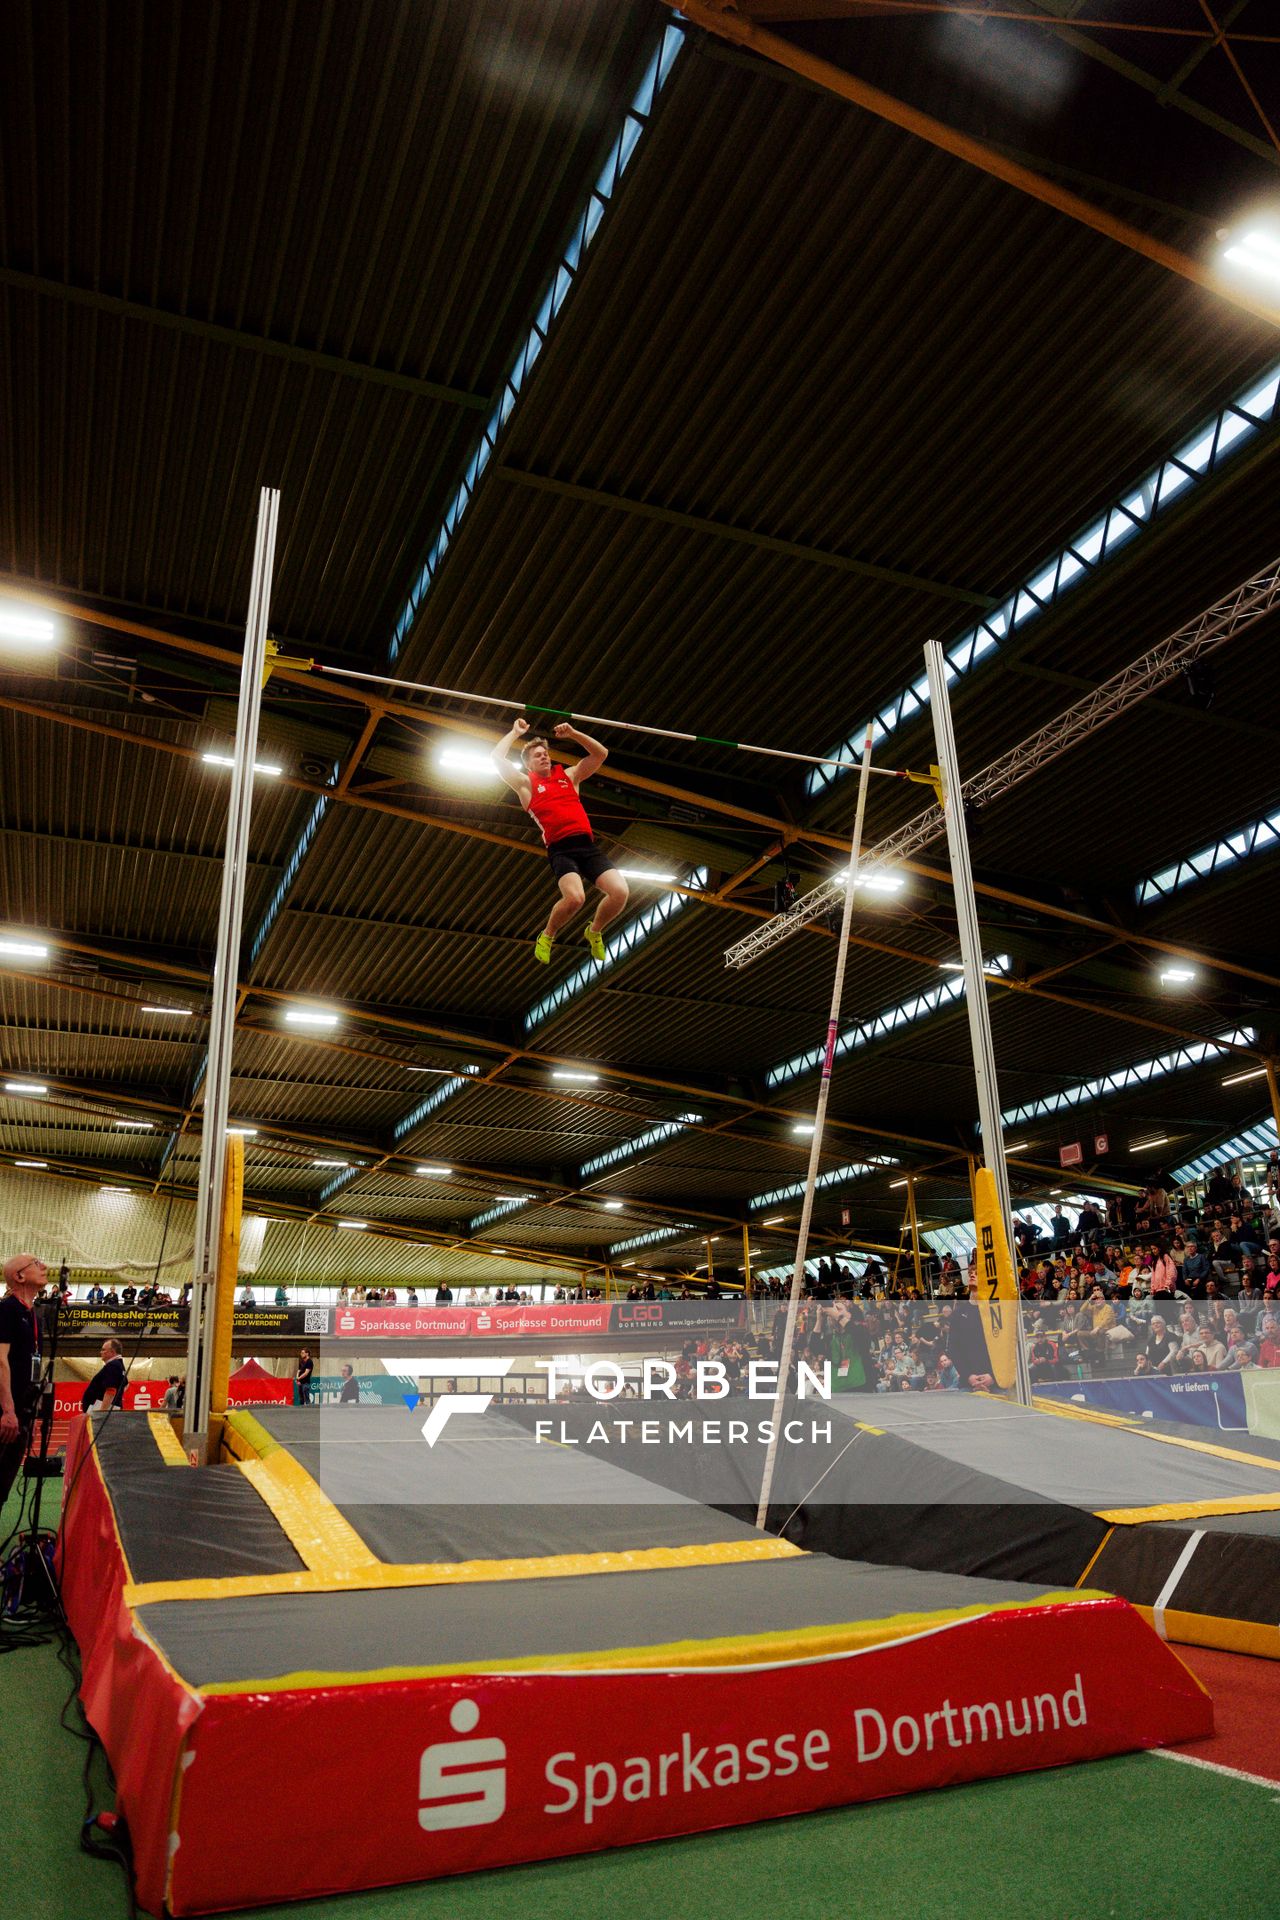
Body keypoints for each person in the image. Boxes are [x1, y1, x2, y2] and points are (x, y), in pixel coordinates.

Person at [490, 716, 628, 964]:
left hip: (587, 847)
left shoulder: (569, 776)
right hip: (561, 851)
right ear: (528, 764)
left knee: (620, 892)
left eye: (545, 753)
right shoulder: (525, 784)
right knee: (576, 898)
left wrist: (574, 733)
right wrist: (514, 733)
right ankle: (548, 935)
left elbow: (601, 754)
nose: (544, 757)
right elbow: (496, 759)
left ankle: (594, 931)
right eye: (537, 755)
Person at [0, 1253, 46, 1507]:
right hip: (5, 1415)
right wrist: (7, 1410)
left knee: (2, 1489)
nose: (44, 1267)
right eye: (36, 1263)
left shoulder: (32, 1315)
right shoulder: (5, 1309)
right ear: (19, 1276)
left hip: (21, 1416)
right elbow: (0, 1361)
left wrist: (31, 1415)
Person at [81, 1337, 127, 1411]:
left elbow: (111, 1390)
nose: (101, 1352)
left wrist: (102, 1412)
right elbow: (125, 1384)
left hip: (101, 1409)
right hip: (108, 1408)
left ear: (112, 1352)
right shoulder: (119, 1366)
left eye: (103, 1350)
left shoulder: (113, 1365)